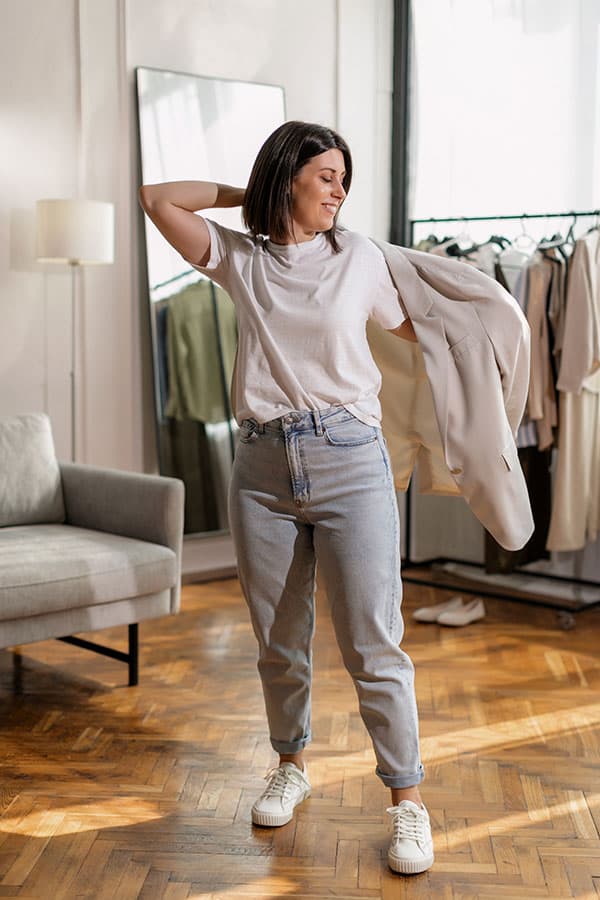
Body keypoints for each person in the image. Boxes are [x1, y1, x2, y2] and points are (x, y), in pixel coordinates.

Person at [139, 120, 434, 875]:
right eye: (326, 174)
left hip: (349, 462)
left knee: (373, 642)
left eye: (344, 178)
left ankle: (408, 805)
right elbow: (156, 198)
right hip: (262, 470)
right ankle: (290, 764)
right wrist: (257, 197)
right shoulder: (243, 260)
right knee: (279, 640)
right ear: (289, 177)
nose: (340, 189)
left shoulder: (359, 258)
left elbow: (419, 333)